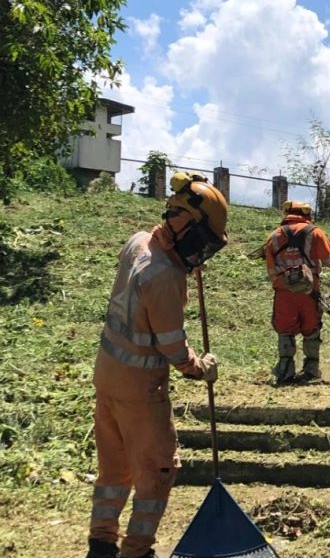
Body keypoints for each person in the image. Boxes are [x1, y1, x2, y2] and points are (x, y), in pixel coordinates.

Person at [86, 172, 228, 558]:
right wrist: (201, 367)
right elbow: (172, 347)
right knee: (159, 471)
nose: (203, 253)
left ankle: (101, 544)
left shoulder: (138, 243)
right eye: (203, 243)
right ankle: (138, 550)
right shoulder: (166, 277)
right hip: (140, 389)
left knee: (115, 470)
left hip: (107, 376)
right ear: (186, 226)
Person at [263, 200, 330, 384]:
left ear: (286, 213)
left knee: (285, 330)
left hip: (284, 294)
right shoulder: (315, 233)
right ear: (307, 214)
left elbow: (271, 270)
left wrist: (283, 283)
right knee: (311, 329)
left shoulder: (274, 236)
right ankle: (311, 371)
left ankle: (285, 371)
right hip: (309, 293)